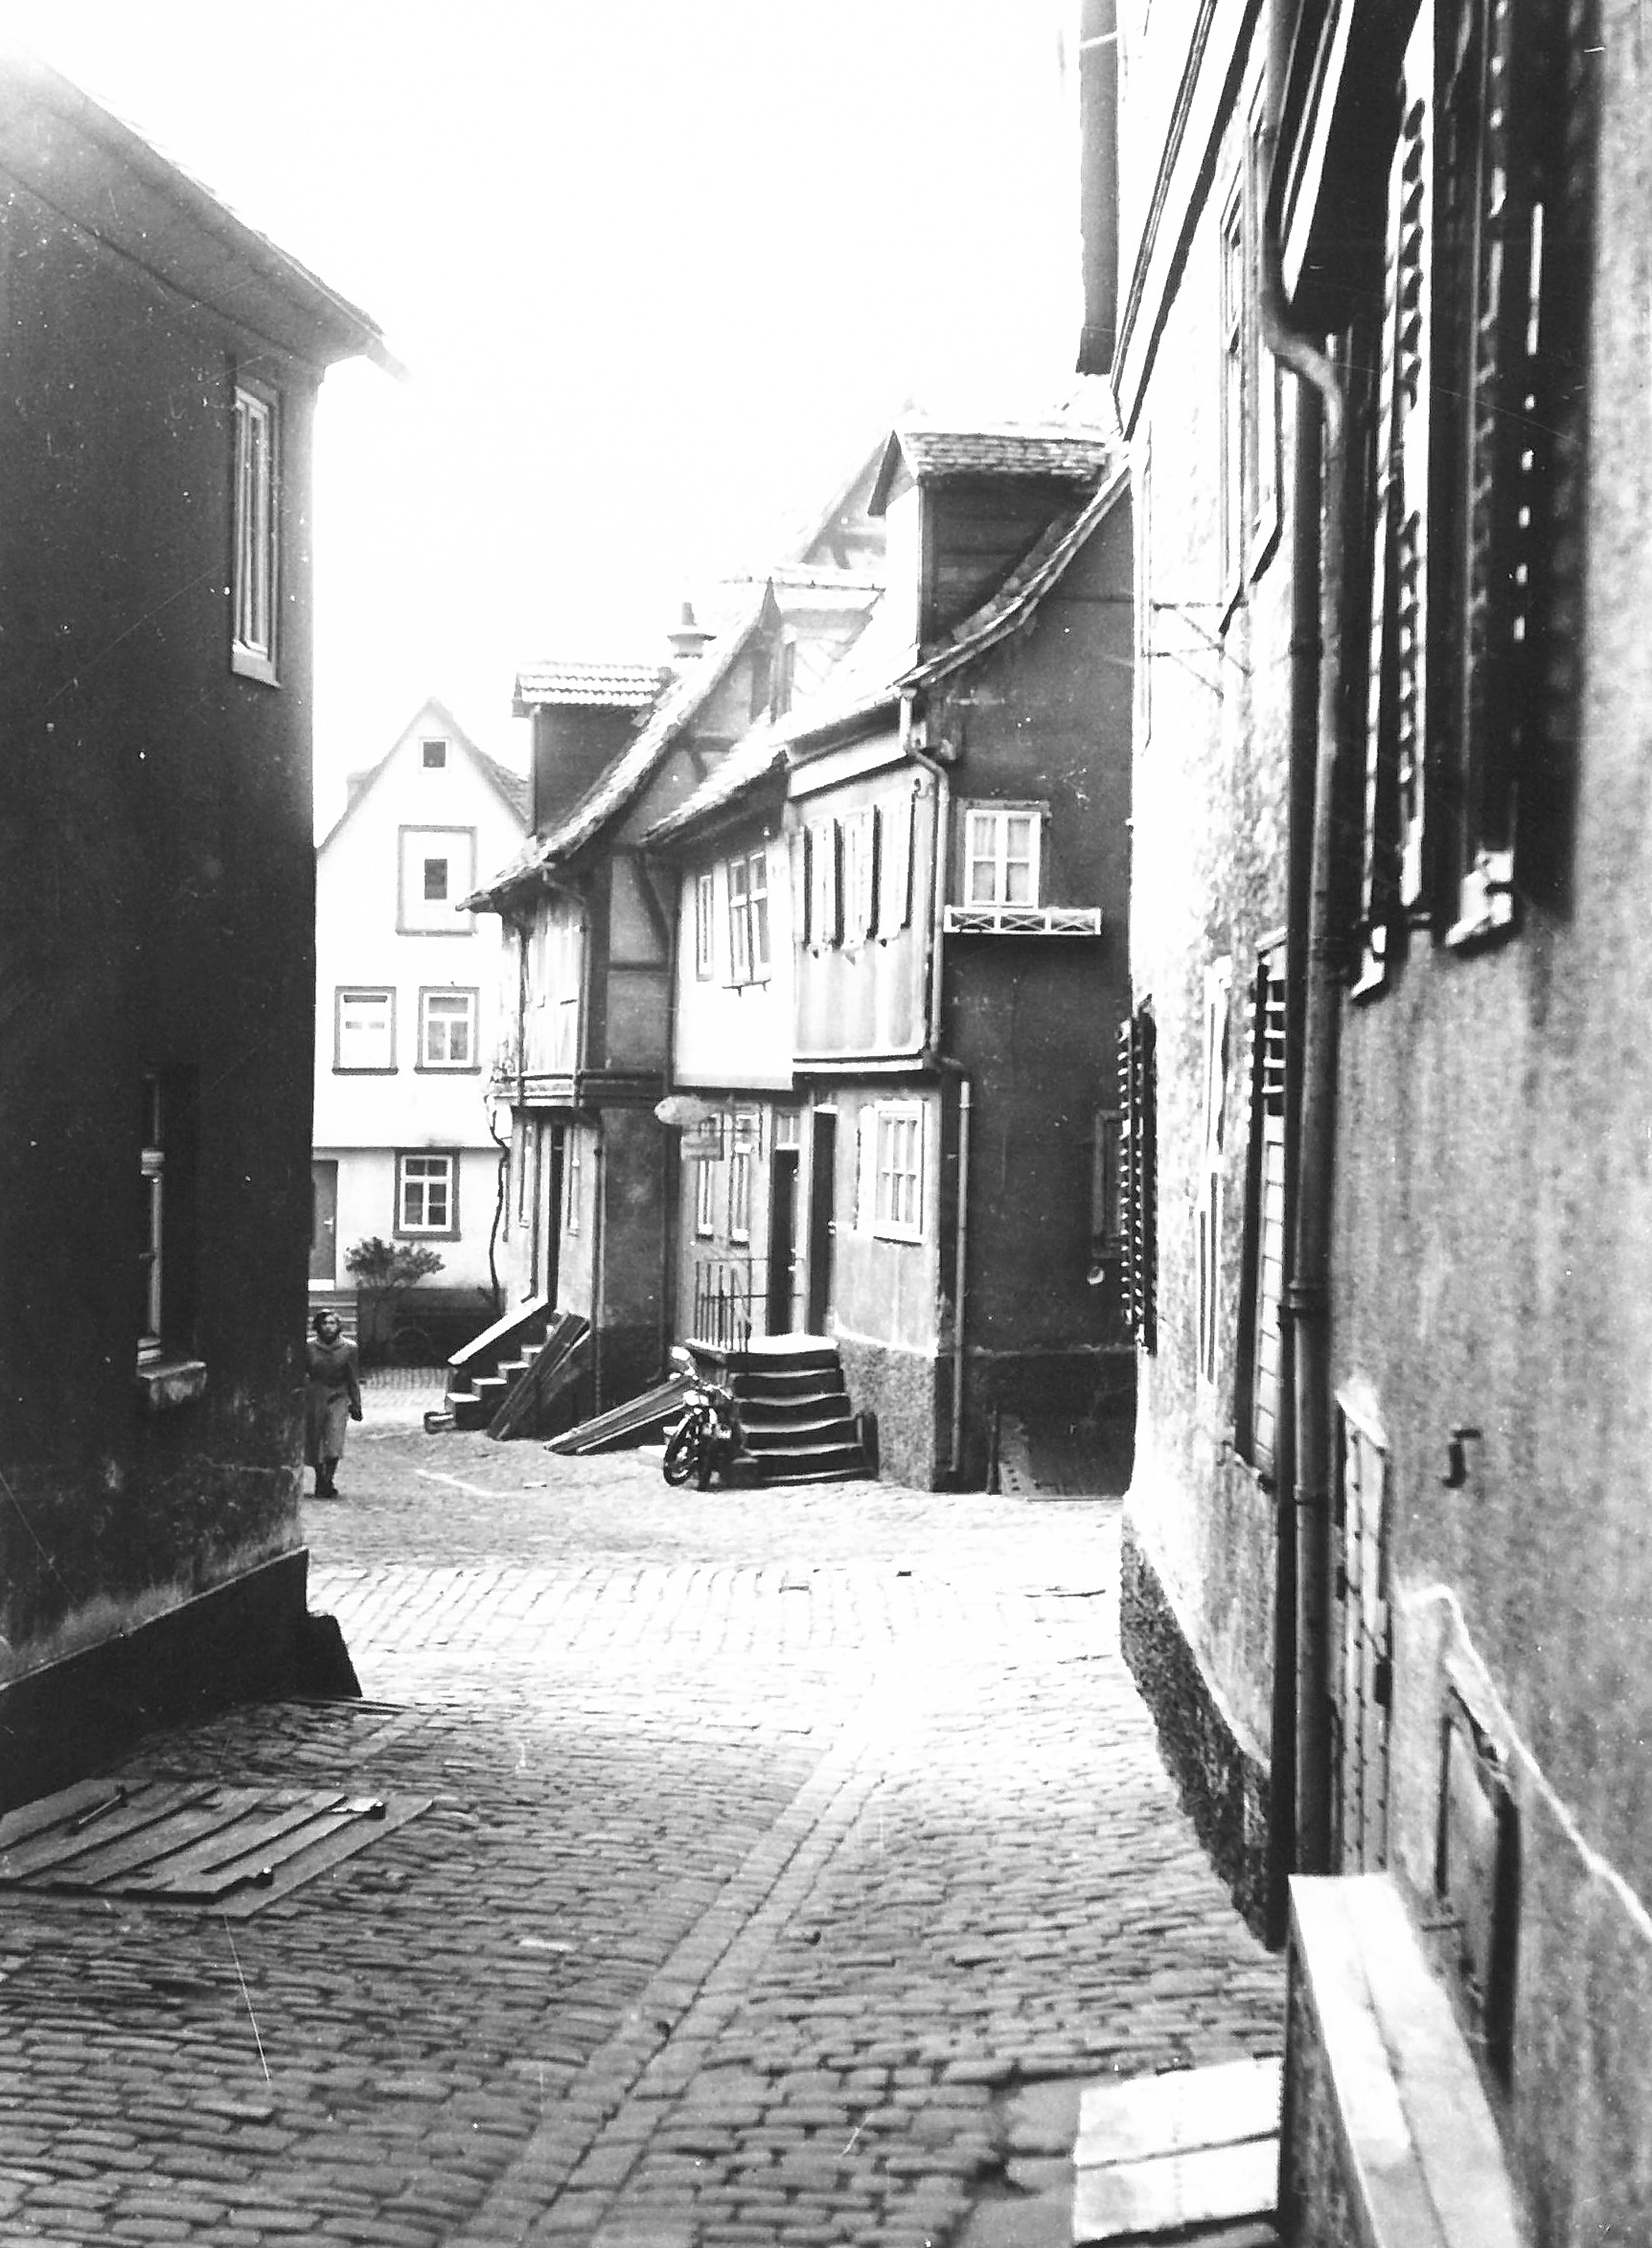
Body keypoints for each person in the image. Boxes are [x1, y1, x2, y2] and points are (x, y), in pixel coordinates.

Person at [305, 1311, 362, 1498]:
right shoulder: (309, 1347)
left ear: (338, 1326)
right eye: (324, 1323)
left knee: (334, 1439)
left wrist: (356, 1404)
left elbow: (353, 1377)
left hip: (339, 1396)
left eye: (332, 1323)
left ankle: (328, 1479)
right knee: (316, 1440)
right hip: (315, 1396)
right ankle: (320, 1478)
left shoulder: (349, 1348)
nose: (328, 1327)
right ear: (318, 1326)